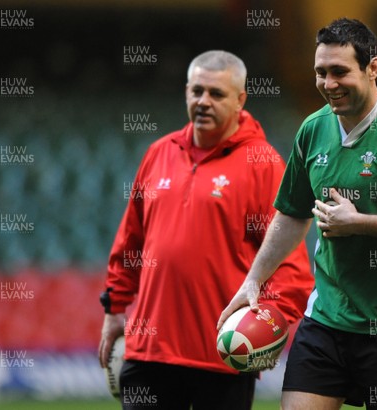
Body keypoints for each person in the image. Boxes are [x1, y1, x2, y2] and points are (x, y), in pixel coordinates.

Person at [218, 18, 377, 410]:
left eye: (340, 72)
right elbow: (292, 213)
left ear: (373, 68)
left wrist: (357, 222)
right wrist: (254, 280)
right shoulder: (312, 129)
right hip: (326, 320)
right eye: (321, 72)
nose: (328, 83)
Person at [98, 50, 313, 410]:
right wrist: (114, 308)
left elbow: (290, 264)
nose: (203, 101)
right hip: (149, 352)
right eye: (197, 91)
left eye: (216, 94)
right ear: (185, 92)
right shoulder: (158, 153)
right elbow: (130, 241)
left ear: (241, 100)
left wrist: (272, 323)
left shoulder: (263, 164)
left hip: (224, 358)